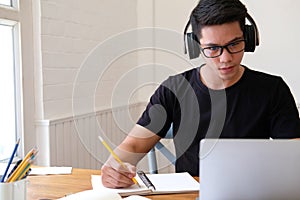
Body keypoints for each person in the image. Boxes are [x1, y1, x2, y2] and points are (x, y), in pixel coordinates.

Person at [101, 0, 300, 188]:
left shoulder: (273, 89)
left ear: (248, 39)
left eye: (234, 44)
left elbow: (294, 157)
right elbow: (134, 146)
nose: (225, 58)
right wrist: (114, 167)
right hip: (191, 195)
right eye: (213, 48)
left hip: (253, 191)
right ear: (196, 46)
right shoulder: (174, 89)